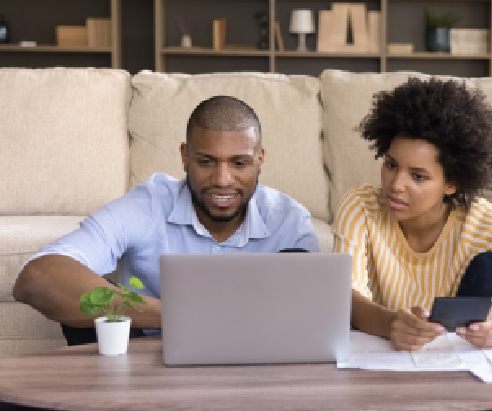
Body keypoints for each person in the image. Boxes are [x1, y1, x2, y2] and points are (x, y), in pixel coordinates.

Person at [333, 78, 492, 411]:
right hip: (392, 370)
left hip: (465, 374)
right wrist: (391, 324)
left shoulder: (479, 219)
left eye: (418, 176)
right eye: (391, 164)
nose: (396, 184)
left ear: (452, 183)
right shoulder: (361, 206)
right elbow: (345, 296)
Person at [14, 95, 319, 340]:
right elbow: (37, 277)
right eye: (206, 162)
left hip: (256, 369)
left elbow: (316, 316)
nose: (223, 180)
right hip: (147, 368)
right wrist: (181, 316)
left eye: (239, 163)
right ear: (185, 156)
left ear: (260, 159)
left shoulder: (290, 221)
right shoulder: (148, 205)